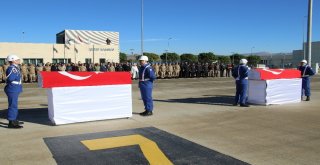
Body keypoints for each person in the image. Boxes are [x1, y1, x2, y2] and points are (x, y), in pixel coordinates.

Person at [4, 55, 23, 128]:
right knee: (13, 105)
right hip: (13, 88)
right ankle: (11, 122)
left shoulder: (15, 68)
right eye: (17, 59)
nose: (19, 60)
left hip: (14, 88)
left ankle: (14, 119)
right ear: (13, 61)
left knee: (14, 105)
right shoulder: (12, 68)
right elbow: (10, 78)